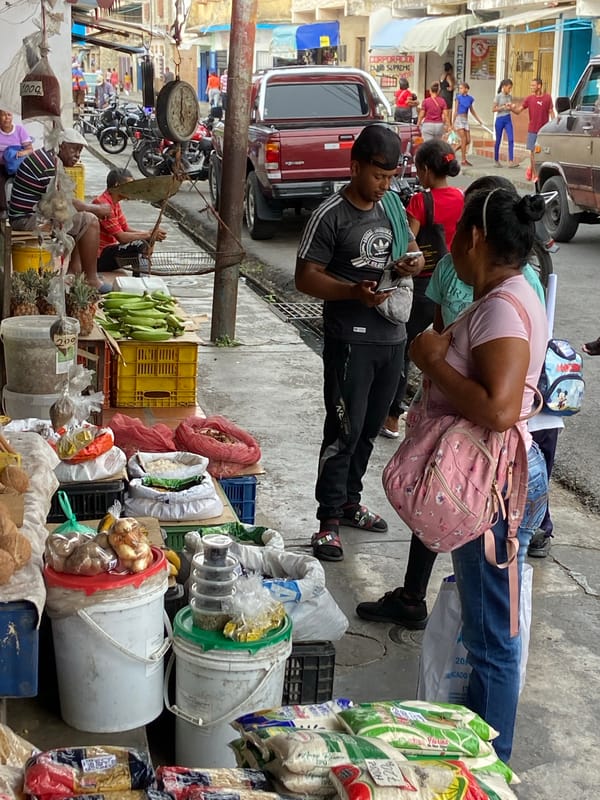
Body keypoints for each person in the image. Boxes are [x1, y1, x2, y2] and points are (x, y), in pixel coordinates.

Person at [360, 180, 549, 763]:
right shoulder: (508, 292)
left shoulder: (501, 310)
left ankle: (489, 768)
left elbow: (496, 408)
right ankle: (479, 751)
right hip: (493, 478)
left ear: (473, 237)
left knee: (493, 640)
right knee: (485, 628)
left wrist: (433, 361)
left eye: (455, 241)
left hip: (490, 485)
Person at [295, 124, 425, 562]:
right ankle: (328, 519)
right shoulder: (330, 214)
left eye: (390, 177)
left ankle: (351, 501)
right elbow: (305, 276)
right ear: (355, 167)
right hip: (349, 338)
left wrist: (415, 261)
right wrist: (352, 292)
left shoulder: (390, 204)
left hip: (392, 336)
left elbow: (412, 247)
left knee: (370, 429)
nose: (385, 185)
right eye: (377, 176)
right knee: (344, 428)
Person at [381, 139, 463, 439]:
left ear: (426, 170)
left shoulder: (420, 202)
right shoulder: (461, 197)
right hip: (457, 284)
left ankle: (391, 417)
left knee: (403, 345)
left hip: (424, 284)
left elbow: (407, 246)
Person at [8, 128, 111, 292]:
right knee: (90, 221)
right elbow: (62, 203)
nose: (77, 155)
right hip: (26, 219)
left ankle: (75, 270)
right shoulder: (48, 164)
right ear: (61, 146)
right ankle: (91, 279)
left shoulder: (49, 158)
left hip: (32, 213)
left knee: (81, 218)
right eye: (74, 149)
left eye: (80, 151)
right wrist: (96, 209)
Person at [93, 168, 167, 273]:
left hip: (107, 251)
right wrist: (148, 234)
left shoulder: (114, 202)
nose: (133, 190)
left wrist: (150, 234)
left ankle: (142, 278)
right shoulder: (103, 204)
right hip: (96, 258)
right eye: (130, 186)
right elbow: (122, 237)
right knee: (139, 245)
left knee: (144, 242)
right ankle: (141, 279)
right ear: (117, 185)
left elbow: (126, 228)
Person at [512, 78, 554, 182]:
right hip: (532, 130)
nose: (531, 87)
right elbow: (518, 111)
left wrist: (554, 125)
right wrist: (511, 108)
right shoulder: (529, 99)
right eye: (531, 85)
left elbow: (551, 112)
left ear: (539, 86)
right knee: (533, 153)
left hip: (543, 131)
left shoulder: (547, 98)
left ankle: (530, 169)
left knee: (542, 153)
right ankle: (535, 176)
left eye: (533, 85)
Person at [0, 109, 33, 219]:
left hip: (17, 166)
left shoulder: (19, 130)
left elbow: (30, 149)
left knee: (25, 180)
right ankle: (3, 210)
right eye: (3, 115)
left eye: (9, 114)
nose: (7, 118)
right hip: (2, 166)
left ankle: (23, 211)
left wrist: (23, 152)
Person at [453, 82, 484, 167]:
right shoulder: (458, 98)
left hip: (465, 119)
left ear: (466, 89)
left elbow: (472, 110)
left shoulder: (470, 99)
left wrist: (478, 120)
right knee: (463, 138)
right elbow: (455, 110)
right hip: (459, 118)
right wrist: (453, 122)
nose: (460, 90)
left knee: (468, 140)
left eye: (462, 88)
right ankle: (463, 159)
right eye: (459, 88)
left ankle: (453, 150)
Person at [493, 78, 518, 168]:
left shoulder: (509, 97)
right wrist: (503, 107)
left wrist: (512, 107)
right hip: (500, 119)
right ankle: (496, 160)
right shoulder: (498, 96)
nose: (509, 90)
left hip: (508, 118)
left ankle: (511, 161)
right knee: (498, 140)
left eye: (510, 88)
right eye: (508, 88)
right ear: (504, 87)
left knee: (511, 139)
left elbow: (511, 107)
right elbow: (493, 109)